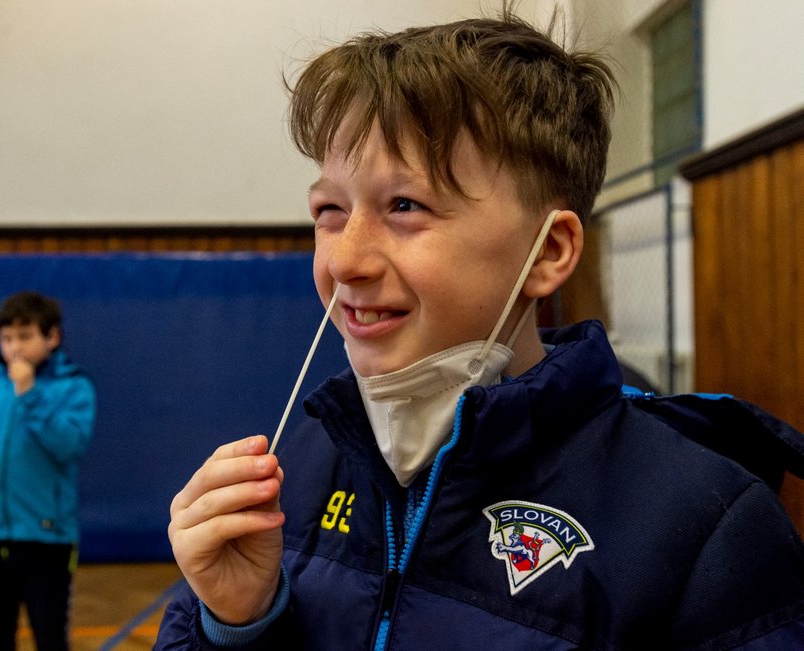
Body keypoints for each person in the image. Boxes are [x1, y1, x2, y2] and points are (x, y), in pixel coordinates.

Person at [155, 11, 804, 650]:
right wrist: (238, 623)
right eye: (330, 209)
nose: (344, 260)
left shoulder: (706, 525)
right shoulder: (303, 456)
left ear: (548, 252)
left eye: (404, 205)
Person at [0, 291, 96, 651]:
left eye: (25, 336)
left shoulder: (74, 387)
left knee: (50, 638)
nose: (15, 348)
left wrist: (28, 393)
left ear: (52, 337)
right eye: (7, 338)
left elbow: (68, 446)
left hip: (46, 538)